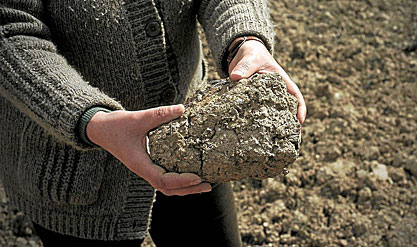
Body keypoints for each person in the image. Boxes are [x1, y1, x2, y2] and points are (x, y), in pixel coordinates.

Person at [0, 0, 306, 246]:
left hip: (195, 142)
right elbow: (9, 27)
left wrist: (245, 40)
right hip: (73, 172)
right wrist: (89, 118)